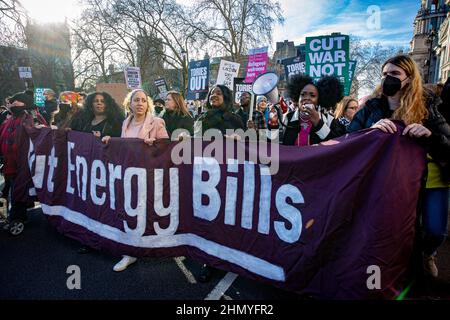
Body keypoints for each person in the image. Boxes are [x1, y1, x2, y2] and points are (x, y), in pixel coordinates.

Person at [347, 55, 450, 279]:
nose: (387, 79)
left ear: (409, 79)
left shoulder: (429, 108)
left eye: (394, 74)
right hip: (388, 182)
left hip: (431, 180)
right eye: (384, 74)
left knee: (434, 229)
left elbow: (448, 146)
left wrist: (430, 136)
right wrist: (370, 131)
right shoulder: (371, 109)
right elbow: (348, 140)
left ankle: (428, 252)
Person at [102, 89, 169, 272]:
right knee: (130, 210)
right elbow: (125, 146)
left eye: (143, 100)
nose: (140, 103)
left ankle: (152, 244)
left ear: (148, 104)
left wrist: (153, 144)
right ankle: (130, 252)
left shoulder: (157, 122)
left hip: (149, 174)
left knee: (146, 210)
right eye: (136, 100)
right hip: (129, 174)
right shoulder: (126, 122)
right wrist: (111, 140)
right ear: (129, 104)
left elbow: (166, 148)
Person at [0, 91, 47, 228]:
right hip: (10, 162)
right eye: (13, 101)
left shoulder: (31, 117)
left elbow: (42, 134)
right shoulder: (10, 119)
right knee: (14, 190)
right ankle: (20, 212)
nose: (14, 103)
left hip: (25, 163)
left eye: (17, 101)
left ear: (25, 103)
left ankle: (17, 218)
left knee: (18, 190)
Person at [282, 74, 343, 146]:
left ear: (318, 100)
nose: (307, 98)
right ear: (297, 98)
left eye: (312, 95)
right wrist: (273, 126)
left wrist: (318, 123)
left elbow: (336, 146)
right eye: (303, 94)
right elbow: (274, 147)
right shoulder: (287, 118)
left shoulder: (329, 120)